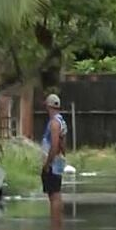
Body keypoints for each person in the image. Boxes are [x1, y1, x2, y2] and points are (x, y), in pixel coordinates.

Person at [40, 93, 68, 223]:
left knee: (54, 195)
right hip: (58, 161)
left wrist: (47, 163)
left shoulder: (54, 123)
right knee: (56, 193)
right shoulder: (61, 121)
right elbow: (63, 144)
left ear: (48, 106)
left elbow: (55, 144)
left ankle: (55, 222)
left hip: (53, 163)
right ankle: (57, 221)